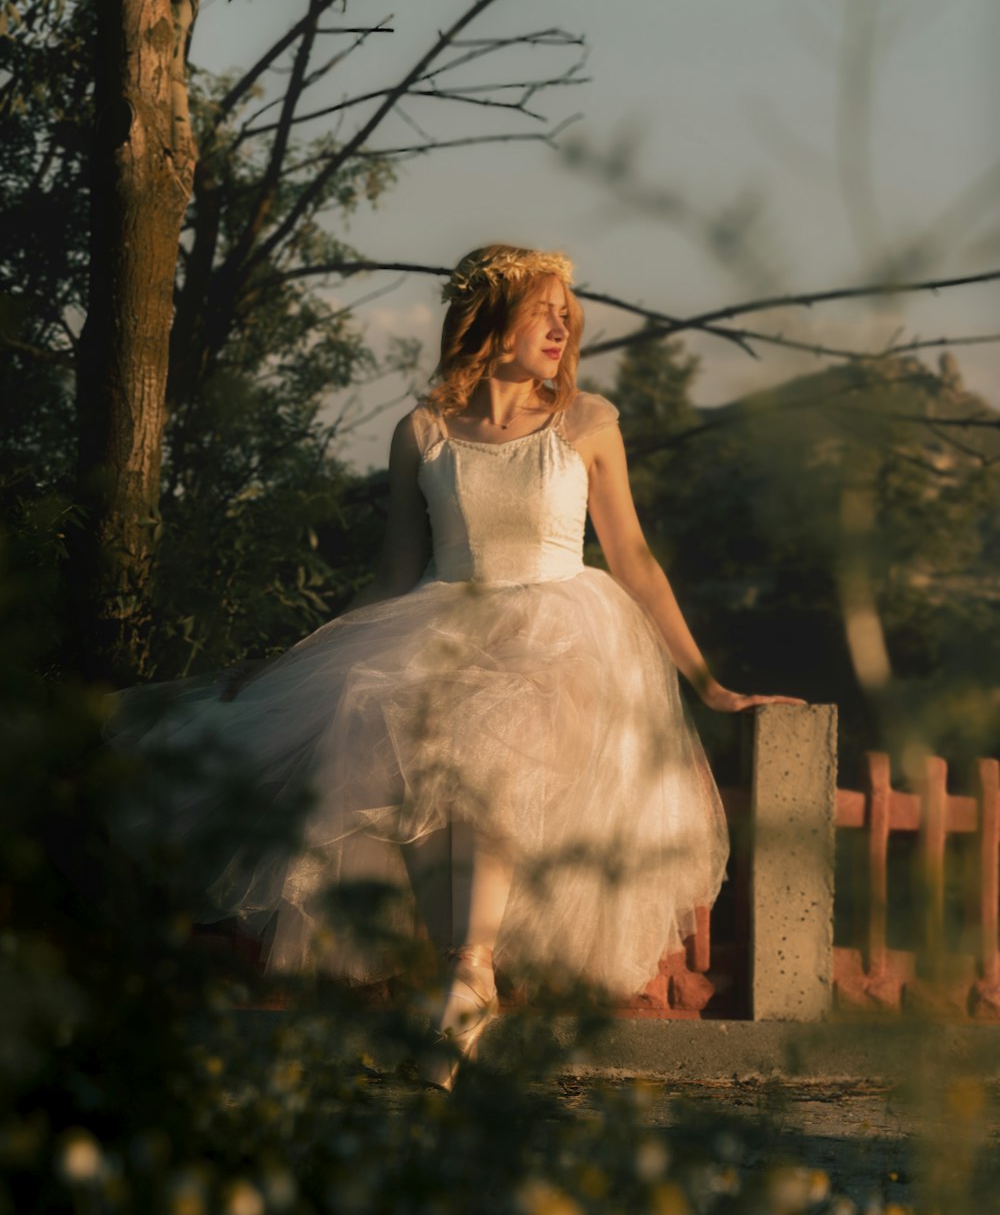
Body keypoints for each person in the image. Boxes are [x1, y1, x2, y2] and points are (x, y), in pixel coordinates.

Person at [110, 244, 802, 1091]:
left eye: (567, 311)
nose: (563, 324)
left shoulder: (586, 422)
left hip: (561, 631)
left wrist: (709, 683)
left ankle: (469, 973)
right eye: (543, 307)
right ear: (490, 318)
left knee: (498, 741)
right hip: (441, 620)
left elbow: (635, 560)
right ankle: (463, 977)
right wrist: (299, 664)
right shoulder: (425, 433)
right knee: (402, 739)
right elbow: (395, 574)